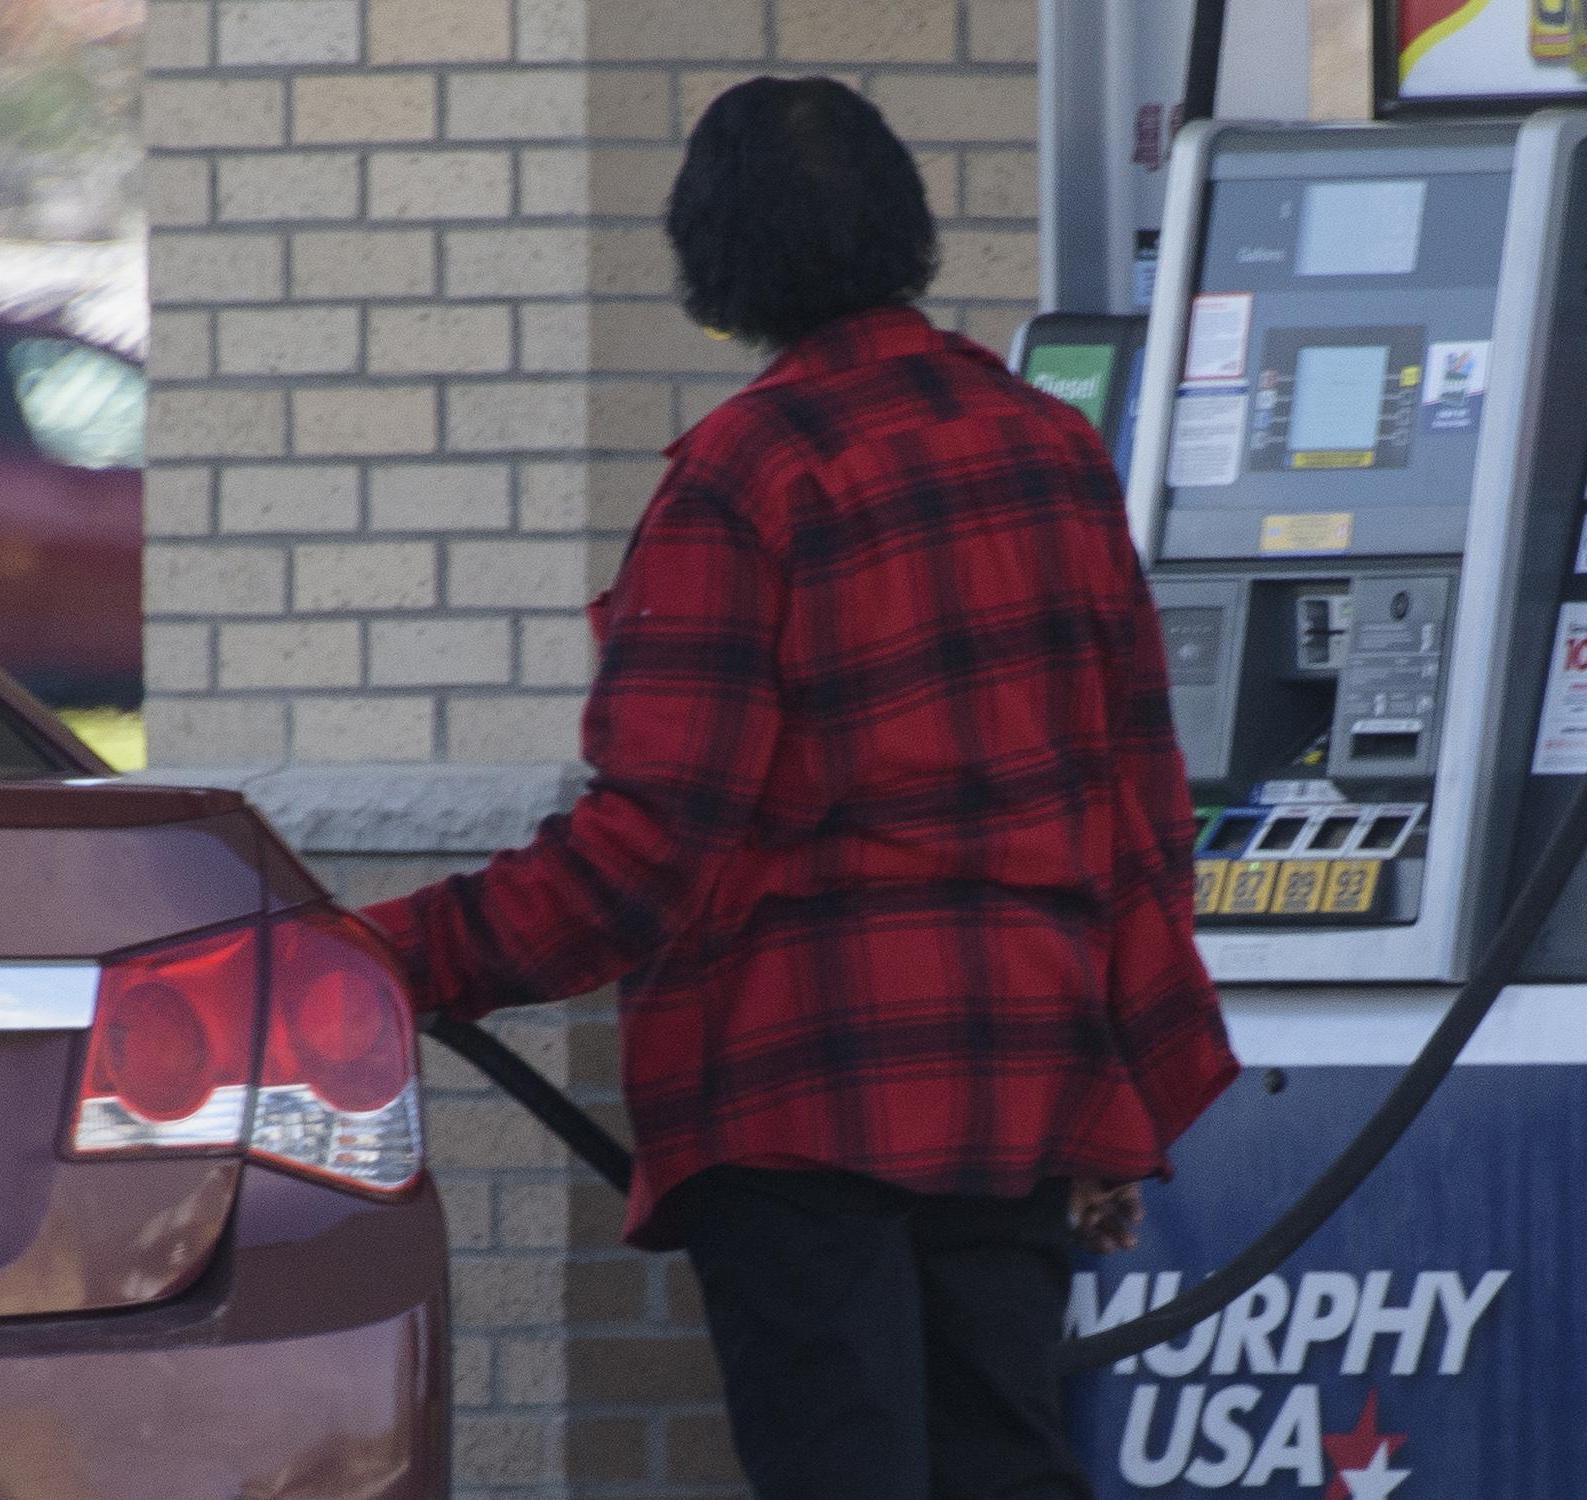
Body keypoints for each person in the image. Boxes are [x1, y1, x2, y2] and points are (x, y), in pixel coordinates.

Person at [362, 75, 1236, 1500]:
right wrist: (1114, 1099)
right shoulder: (1054, 452)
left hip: (802, 1089)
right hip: (1019, 1076)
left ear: (717, 264)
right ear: (904, 225)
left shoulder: (742, 482)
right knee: (1005, 1468)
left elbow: (646, 850)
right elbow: (1139, 807)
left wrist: (389, 953)